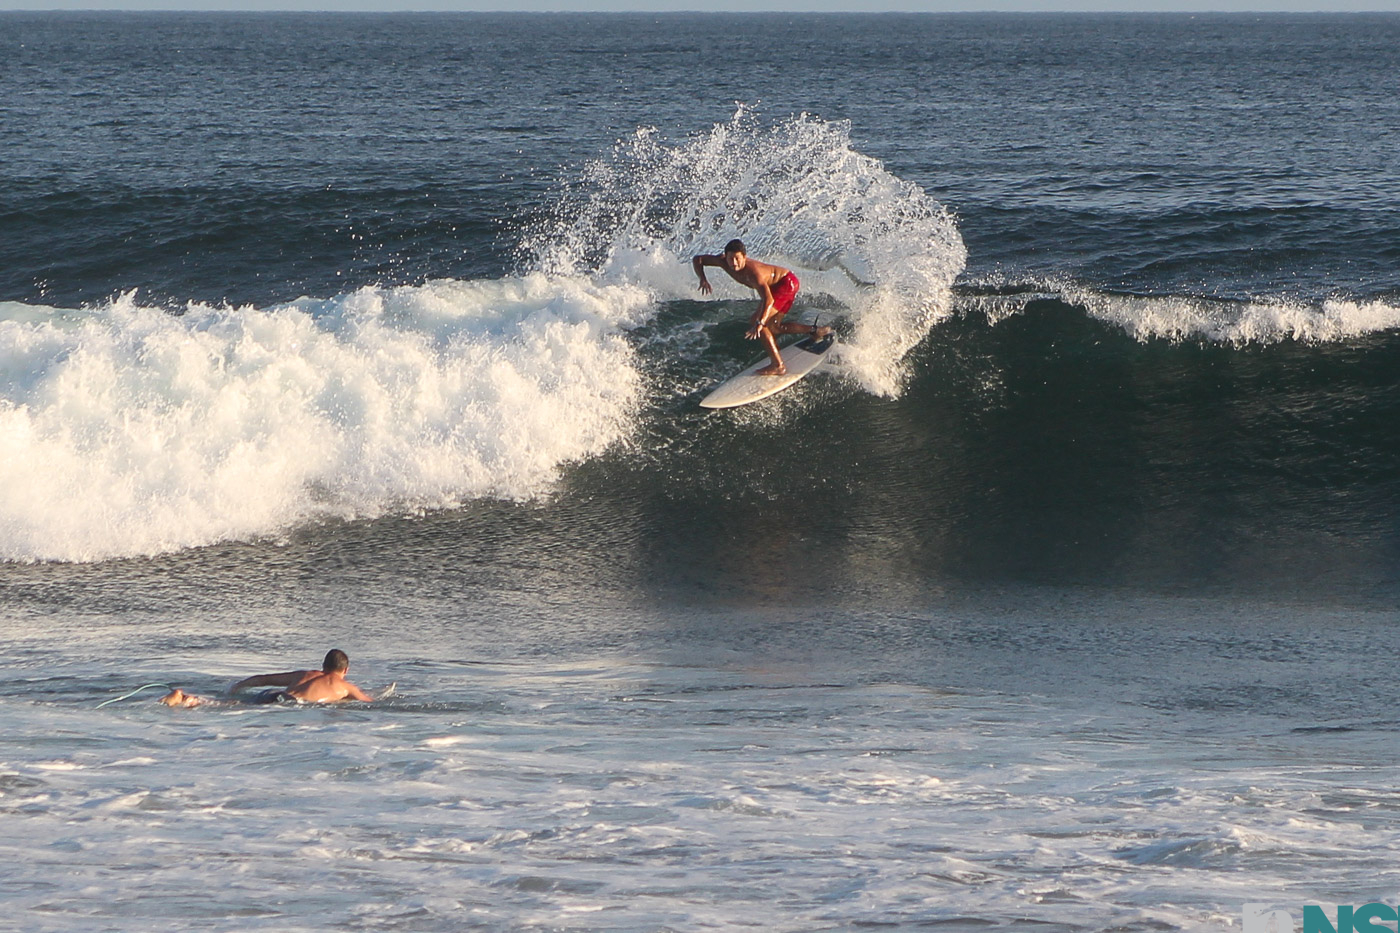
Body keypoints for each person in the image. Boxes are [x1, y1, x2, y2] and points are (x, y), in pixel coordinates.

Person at [692, 239, 831, 375]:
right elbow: (698, 259)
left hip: (786, 284)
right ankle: (816, 331)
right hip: (782, 284)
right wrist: (702, 279)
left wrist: (760, 322)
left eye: (737, 259)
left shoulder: (753, 273)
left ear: (744, 257)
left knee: (757, 321)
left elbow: (768, 299)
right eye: (730, 259)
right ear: (725, 257)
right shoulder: (722, 262)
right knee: (775, 327)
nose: (733, 263)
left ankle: (778, 366)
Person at [228, 648, 374, 704]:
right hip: (294, 703)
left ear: (323, 666)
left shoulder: (304, 674)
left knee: (235, 705)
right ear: (346, 670)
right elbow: (369, 702)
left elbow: (264, 679)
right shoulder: (345, 686)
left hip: (272, 694)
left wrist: (239, 685)